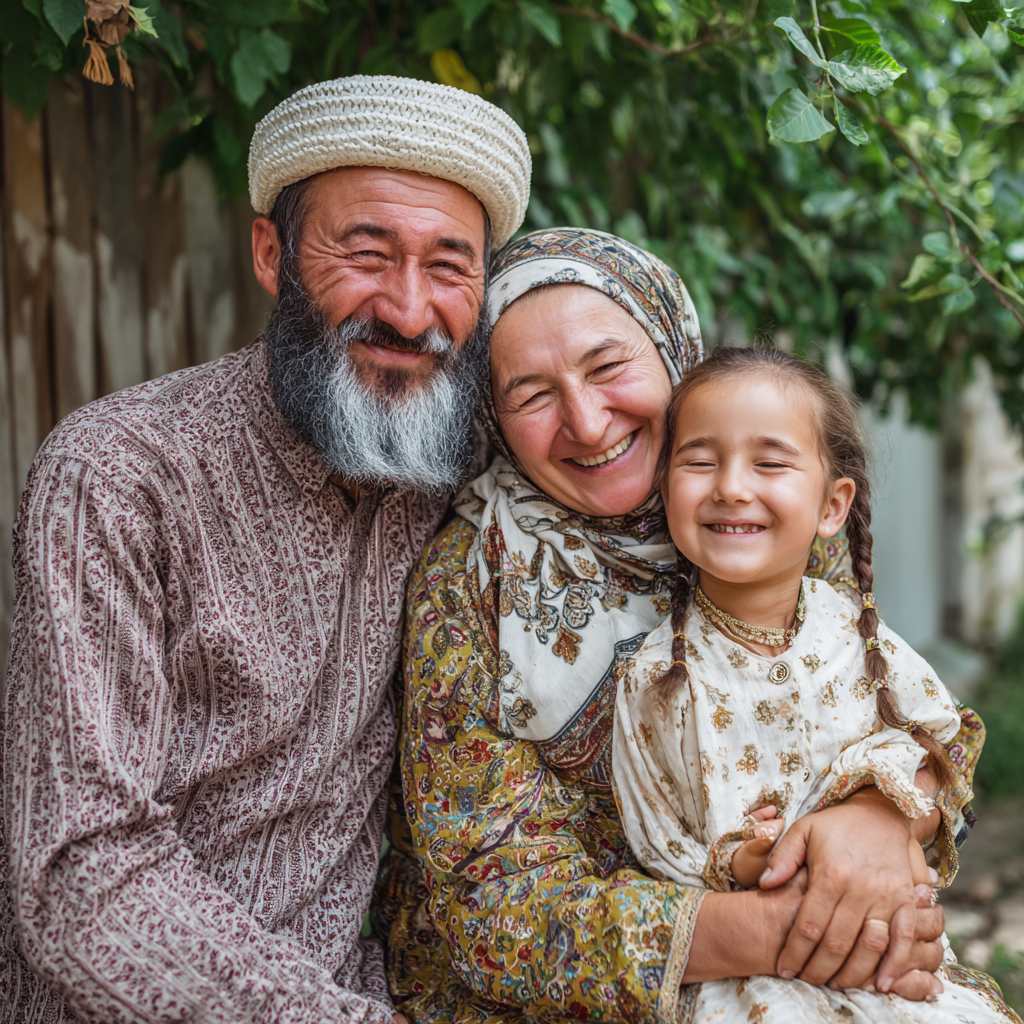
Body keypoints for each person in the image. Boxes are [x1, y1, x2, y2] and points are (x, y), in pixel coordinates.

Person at [0, 75, 530, 1023]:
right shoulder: (120, 476)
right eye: (365, 253)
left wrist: (877, 786)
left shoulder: (479, 453)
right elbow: (81, 873)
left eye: (450, 267)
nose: (409, 312)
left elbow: (701, 503)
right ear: (270, 252)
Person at [378, 227, 994, 1024]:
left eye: (609, 369)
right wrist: (786, 933)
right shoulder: (470, 583)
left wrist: (880, 821)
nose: (588, 423)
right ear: (490, 417)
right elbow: (496, 911)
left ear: (672, 356)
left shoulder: (752, 521)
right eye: (531, 394)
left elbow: (901, 721)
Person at [613, 346, 1017, 1022]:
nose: (731, 487)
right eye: (700, 461)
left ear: (833, 505)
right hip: (748, 975)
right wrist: (746, 861)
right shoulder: (658, 678)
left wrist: (887, 816)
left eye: (769, 463)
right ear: (665, 491)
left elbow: (940, 746)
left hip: (886, 945)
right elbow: (658, 841)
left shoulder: (858, 636)